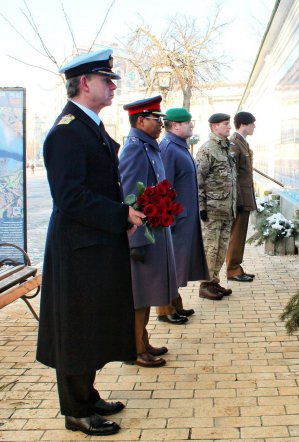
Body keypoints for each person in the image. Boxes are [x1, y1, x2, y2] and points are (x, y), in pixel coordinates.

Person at [36, 49, 144, 436]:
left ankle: (89, 393)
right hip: (78, 249)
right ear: (84, 83)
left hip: (95, 243)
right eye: (106, 80)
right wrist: (119, 215)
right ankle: (76, 410)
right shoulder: (67, 131)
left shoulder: (89, 125)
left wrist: (121, 216)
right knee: (77, 328)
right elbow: (70, 197)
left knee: (93, 323)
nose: (113, 86)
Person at [119, 96, 180, 366]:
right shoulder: (134, 149)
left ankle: (143, 340)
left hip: (155, 231)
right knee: (140, 293)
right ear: (141, 120)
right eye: (157, 120)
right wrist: (137, 241)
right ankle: (135, 349)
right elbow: (130, 196)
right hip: (143, 235)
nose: (161, 124)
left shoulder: (148, 146)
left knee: (147, 291)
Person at [155, 108, 209, 321]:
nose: (192, 125)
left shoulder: (179, 146)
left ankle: (175, 304)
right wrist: (170, 219)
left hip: (184, 218)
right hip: (176, 221)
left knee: (178, 265)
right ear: (175, 125)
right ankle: (164, 309)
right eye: (188, 122)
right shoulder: (169, 148)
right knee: (171, 265)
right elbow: (164, 188)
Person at [196, 113, 237, 300]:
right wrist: (201, 207)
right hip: (212, 210)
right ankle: (205, 285)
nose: (229, 127)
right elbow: (198, 181)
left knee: (221, 249)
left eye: (229, 124)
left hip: (227, 209)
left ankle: (214, 282)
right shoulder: (207, 150)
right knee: (210, 249)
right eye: (225, 124)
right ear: (214, 127)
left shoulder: (227, 148)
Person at [225, 112, 257, 282]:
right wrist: (236, 199)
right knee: (236, 235)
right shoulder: (234, 144)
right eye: (252, 124)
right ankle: (233, 270)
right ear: (243, 124)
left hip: (245, 196)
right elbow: (232, 174)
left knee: (240, 234)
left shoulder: (242, 143)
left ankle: (236, 266)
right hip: (240, 199)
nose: (254, 127)